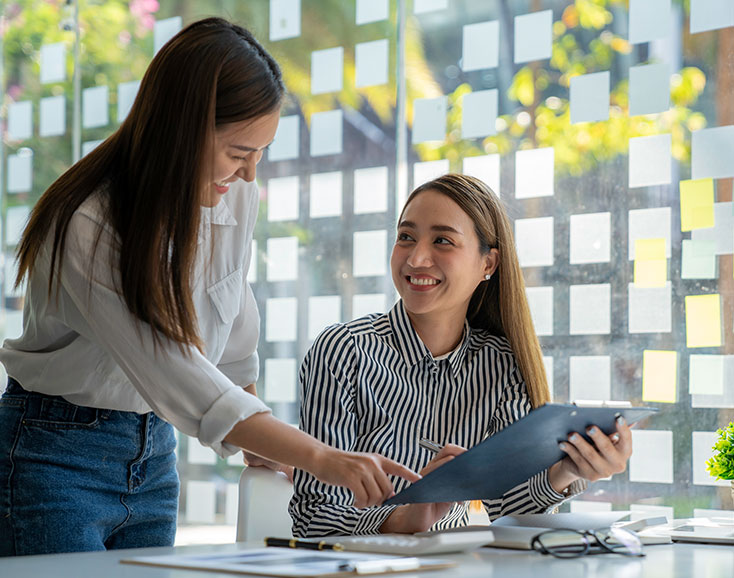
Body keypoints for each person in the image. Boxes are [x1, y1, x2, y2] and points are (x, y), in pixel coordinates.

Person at [0, 18, 418, 557]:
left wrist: (255, 430)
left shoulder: (233, 197)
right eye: (238, 152)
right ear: (182, 128)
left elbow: (234, 326)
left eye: (260, 153)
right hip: (52, 457)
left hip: (153, 457)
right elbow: (173, 367)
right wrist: (323, 458)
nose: (248, 174)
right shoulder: (88, 222)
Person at [290, 174, 633, 537]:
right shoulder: (344, 350)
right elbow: (314, 518)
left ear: (488, 264)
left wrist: (569, 468)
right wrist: (402, 519)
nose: (417, 257)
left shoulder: (501, 363)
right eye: (406, 237)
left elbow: (508, 507)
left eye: (442, 241)